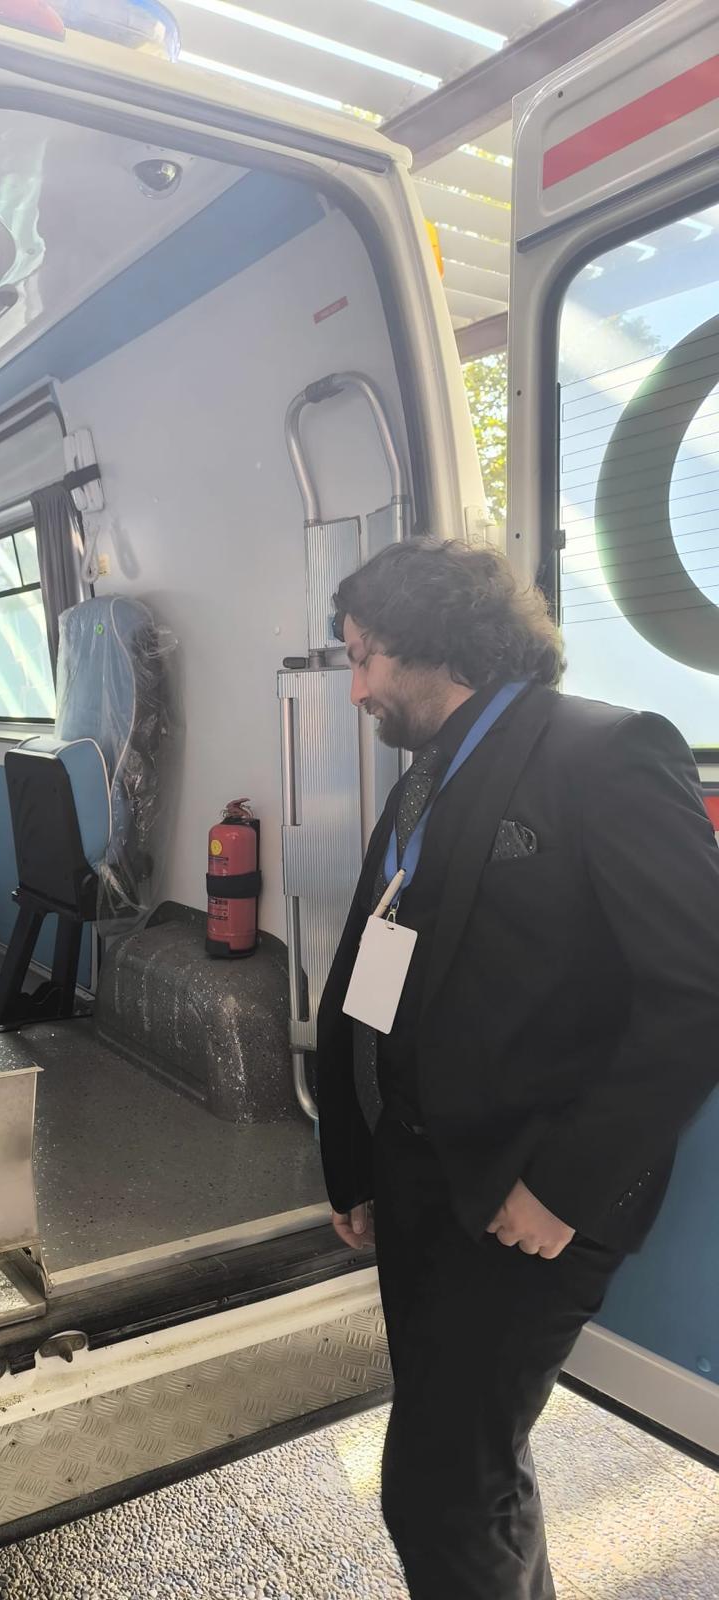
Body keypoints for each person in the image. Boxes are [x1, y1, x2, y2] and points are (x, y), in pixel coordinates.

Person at [311, 538, 719, 1600]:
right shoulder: (427, 779)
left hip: (527, 1195)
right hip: (418, 1181)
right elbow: (372, 968)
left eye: (364, 658)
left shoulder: (610, 753)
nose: (356, 689)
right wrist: (353, 1157)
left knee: (437, 1488)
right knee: (475, 1462)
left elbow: (698, 996)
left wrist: (565, 1189)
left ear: (437, 644)